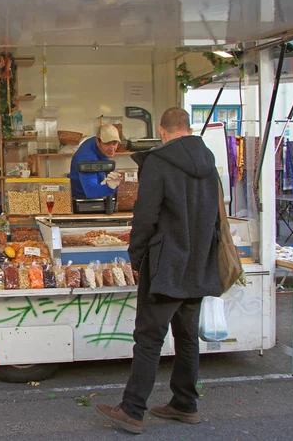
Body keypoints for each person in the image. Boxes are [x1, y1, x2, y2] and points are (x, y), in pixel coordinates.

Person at [94, 108, 222, 434]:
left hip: (166, 264)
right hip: (198, 263)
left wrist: (137, 259)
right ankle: (185, 404)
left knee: (149, 338)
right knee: (187, 337)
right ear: (188, 129)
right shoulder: (209, 163)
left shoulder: (158, 162)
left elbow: (145, 218)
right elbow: (218, 215)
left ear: (163, 132)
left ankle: (133, 410)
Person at [69, 123, 123, 199]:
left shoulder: (99, 145)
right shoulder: (87, 158)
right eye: (107, 143)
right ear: (98, 141)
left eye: (114, 143)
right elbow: (91, 192)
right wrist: (111, 187)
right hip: (82, 198)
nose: (112, 148)